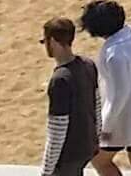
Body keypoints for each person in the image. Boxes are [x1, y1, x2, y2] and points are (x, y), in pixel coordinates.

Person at [81, 0, 131, 176]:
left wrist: (105, 127)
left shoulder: (114, 54)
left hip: (123, 119)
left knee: (100, 160)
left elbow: (119, 95)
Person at [39, 17, 100, 176]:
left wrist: (47, 170)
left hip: (67, 156)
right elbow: (96, 105)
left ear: (52, 41)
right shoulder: (88, 65)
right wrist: (95, 138)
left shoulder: (60, 80)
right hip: (86, 147)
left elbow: (57, 130)